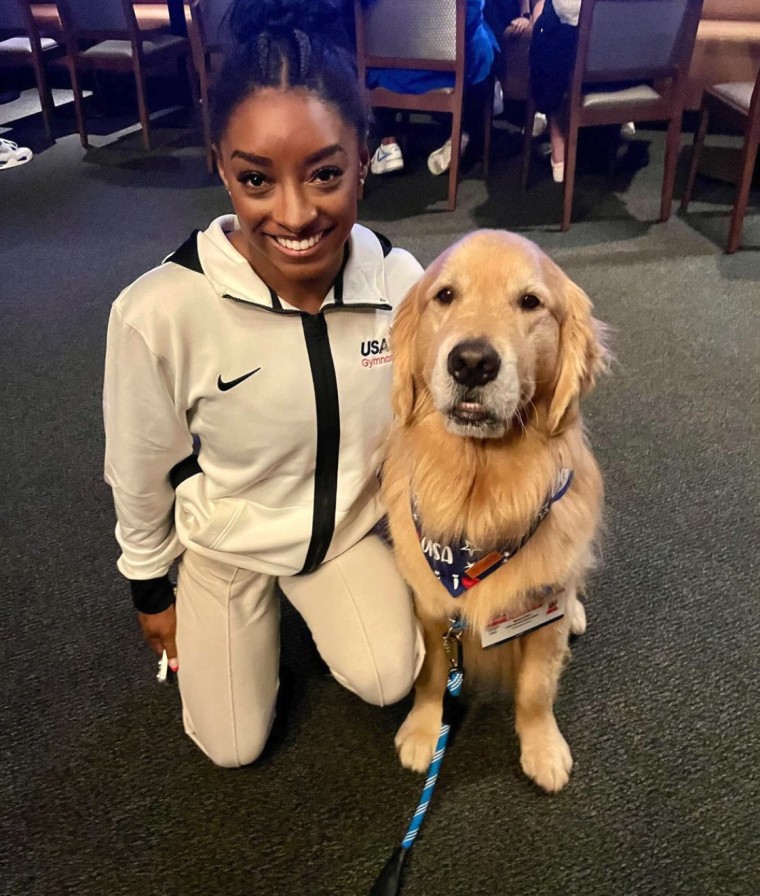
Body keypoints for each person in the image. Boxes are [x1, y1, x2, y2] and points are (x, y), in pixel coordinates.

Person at [103, 0, 425, 769]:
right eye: (256, 178)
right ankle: (235, 615)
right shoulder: (159, 311)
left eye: (324, 174)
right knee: (233, 748)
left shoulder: (400, 283)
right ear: (221, 165)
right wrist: (151, 588)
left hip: (343, 533)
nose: (294, 214)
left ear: (364, 158)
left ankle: (316, 606)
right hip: (229, 545)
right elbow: (141, 467)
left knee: (392, 677)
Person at [365, 0, 499, 176]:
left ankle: (388, 142)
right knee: (482, 50)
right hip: (449, 75)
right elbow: (471, 20)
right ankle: (462, 133)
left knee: (372, 51)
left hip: (391, 73)